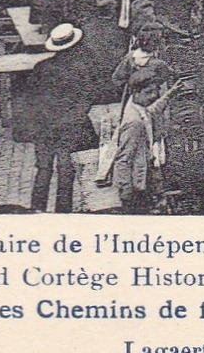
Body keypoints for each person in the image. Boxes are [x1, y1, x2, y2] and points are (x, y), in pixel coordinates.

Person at [13, 22, 100, 213]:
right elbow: (86, 100)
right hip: (69, 127)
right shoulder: (80, 70)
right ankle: (63, 211)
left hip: (44, 127)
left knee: (43, 169)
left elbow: (31, 99)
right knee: (65, 170)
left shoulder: (41, 67)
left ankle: (37, 209)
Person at [113, 76, 187, 213]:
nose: (152, 96)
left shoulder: (139, 108)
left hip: (142, 176)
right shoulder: (134, 123)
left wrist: (170, 93)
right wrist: (126, 195)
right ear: (135, 93)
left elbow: (152, 111)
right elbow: (123, 161)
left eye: (154, 92)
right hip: (136, 187)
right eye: (148, 92)